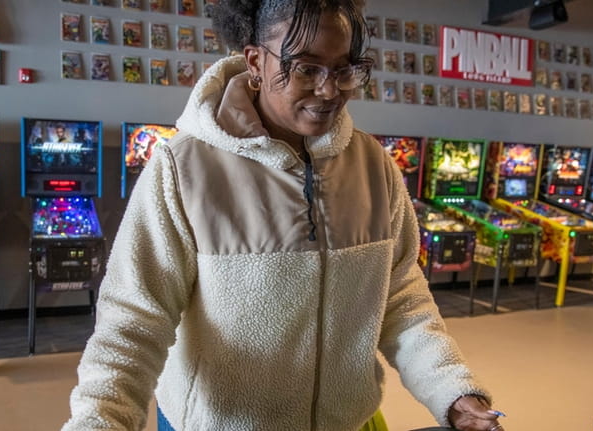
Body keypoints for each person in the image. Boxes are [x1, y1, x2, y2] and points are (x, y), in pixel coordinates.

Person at [62, 1, 505, 430]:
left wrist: (452, 388)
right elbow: (133, 321)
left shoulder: (374, 165)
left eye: (345, 68)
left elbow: (402, 298)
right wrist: (99, 422)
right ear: (255, 61)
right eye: (306, 67)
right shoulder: (183, 168)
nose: (330, 90)